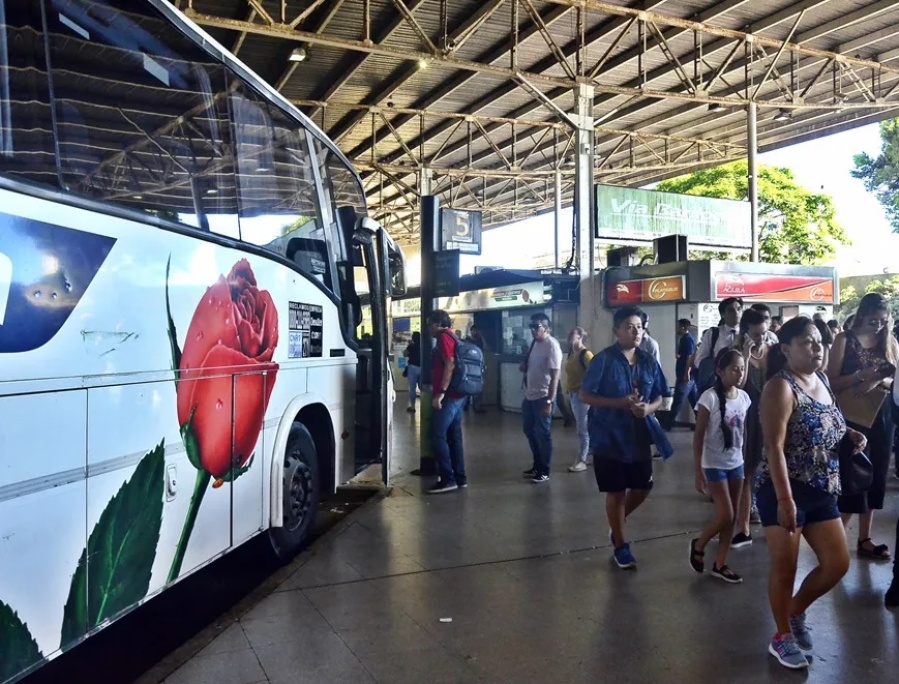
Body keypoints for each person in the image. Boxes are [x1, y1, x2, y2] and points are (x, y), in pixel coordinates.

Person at [758, 316, 865, 669]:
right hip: (784, 488)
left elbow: (826, 418)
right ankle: (781, 637)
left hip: (822, 487)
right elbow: (774, 446)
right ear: (786, 350)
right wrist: (785, 499)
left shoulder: (819, 379)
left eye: (819, 340)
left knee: (837, 564)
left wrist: (847, 434)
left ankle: (795, 611)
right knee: (785, 567)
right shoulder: (780, 387)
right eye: (806, 341)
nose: (817, 347)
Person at [579, 306, 671, 570]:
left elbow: (660, 396)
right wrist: (618, 403)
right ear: (616, 331)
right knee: (616, 492)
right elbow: (585, 395)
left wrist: (648, 409)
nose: (636, 332)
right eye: (630, 327)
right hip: (609, 436)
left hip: (639, 436)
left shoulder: (648, 360)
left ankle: (616, 524)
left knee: (643, 488)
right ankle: (620, 543)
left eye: (639, 327)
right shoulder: (603, 360)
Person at [827, 292, 898, 560]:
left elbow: (895, 379)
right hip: (852, 417)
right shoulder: (844, 339)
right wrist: (858, 377)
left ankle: (864, 538)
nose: (878, 325)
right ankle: (835, 541)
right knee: (852, 476)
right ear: (862, 314)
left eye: (883, 320)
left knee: (876, 477)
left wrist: (875, 382)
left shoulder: (889, 342)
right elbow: (831, 381)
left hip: (882, 416)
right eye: (873, 320)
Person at [689, 349, 751, 584]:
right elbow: (698, 438)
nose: (739, 373)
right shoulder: (709, 398)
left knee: (731, 518)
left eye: (742, 368)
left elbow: (743, 432)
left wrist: (744, 460)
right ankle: (700, 543)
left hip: (736, 464)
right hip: (714, 464)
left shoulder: (744, 398)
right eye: (734, 368)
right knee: (726, 514)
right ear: (720, 371)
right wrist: (698, 471)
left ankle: (720, 563)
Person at [732, 308, 777, 548]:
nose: (761, 339)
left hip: (769, 413)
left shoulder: (772, 352)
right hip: (746, 417)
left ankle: (770, 521)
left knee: (769, 469)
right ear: (746, 332)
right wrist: (746, 357)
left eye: (764, 333)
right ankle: (742, 527)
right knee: (747, 471)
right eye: (756, 334)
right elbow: (738, 384)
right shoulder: (736, 354)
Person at [426, 310, 467, 494]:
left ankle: (448, 478)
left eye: (429, 324)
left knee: (436, 435)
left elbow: (450, 363)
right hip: (458, 395)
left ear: (437, 324)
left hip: (449, 396)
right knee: (454, 437)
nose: (428, 328)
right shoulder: (453, 336)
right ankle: (460, 478)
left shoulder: (443, 337)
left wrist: (441, 393)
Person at [521, 313, 562, 483]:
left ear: (546, 328)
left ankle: (544, 470)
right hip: (530, 396)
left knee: (542, 433)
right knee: (529, 431)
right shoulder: (534, 343)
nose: (533, 330)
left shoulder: (552, 346)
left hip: (543, 397)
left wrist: (549, 402)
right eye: (531, 327)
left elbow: (555, 377)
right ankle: (537, 464)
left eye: (536, 327)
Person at [565, 326, 594, 473]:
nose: (570, 336)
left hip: (583, 396)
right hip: (573, 394)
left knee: (582, 430)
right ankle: (590, 454)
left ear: (580, 337)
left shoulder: (586, 355)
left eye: (573, 334)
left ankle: (582, 460)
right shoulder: (572, 354)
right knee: (584, 427)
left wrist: (585, 388)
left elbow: (595, 374)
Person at [694, 297, 744, 381]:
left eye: (739, 309)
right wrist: (720, 362)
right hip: (718, 382)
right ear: (723, 314)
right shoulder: (713, 333)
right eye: (731, 310)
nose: (736, 313)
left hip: (742, 381)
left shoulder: (748, 334)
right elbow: (699, 361)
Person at [666, 319, 698, 431]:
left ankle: (668, 424)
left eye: (678, 326)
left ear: (684, 327)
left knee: (678, 400)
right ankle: (701, 421)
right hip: (689, 376)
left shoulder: (687, 340)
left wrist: (686, 374)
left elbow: (689, 357)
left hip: (685, 376)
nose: (677, 329)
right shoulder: (685, 339)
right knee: (694, 400)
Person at [463, 326, 487, 414]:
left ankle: (476, 405)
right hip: (469, 365)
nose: (474, 332)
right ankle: (466, 404)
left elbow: (485, 348)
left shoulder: (479, 340)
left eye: (476, 331)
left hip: (478, 365)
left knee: (477, 384)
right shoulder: (467, 340)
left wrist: (482, 337)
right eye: (473, 330)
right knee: (468, 383)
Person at [403, 331, 422, 413]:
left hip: (412, 368)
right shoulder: (424, 346)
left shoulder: (411, 346)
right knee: (423, 388)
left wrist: (410, 345)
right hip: (422, 368)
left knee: (412, 388)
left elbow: (405, 354)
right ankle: (425, 405)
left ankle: (413, 407)